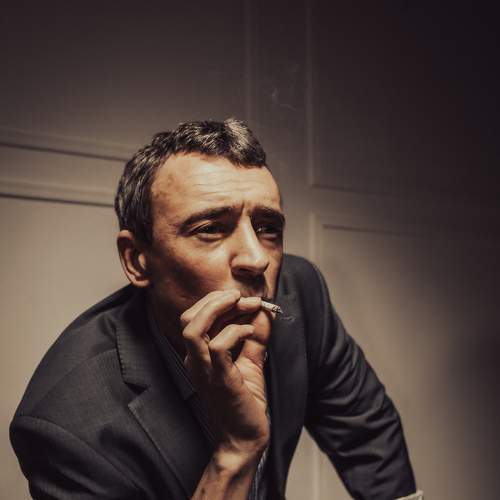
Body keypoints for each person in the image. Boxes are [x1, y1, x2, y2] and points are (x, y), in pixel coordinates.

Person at [10, 119, 422, 499]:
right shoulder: (67, 425)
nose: (256, 259)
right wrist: (237, 449)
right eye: (210, 228)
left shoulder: (298, 290)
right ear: (137, 260)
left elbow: (366, 431)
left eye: (268, 228)